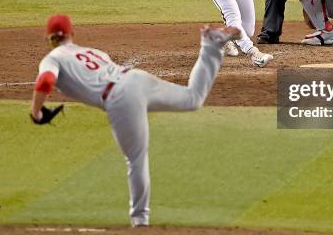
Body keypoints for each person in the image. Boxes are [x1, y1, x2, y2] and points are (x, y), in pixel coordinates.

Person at [29, 14, 240, 227]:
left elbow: (45, 81)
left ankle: (140, 221)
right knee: (192, 98)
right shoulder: (93, 52)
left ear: (49, 38)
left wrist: (36, 112)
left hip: (120, 97)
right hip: (135, 78)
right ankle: (210, 44)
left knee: (136, 160)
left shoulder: (53, 58)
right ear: (71, 33)